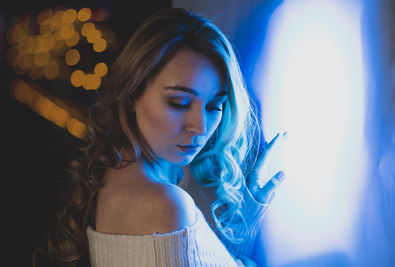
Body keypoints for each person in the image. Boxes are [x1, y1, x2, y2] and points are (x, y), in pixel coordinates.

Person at [34, 7, 286, 267]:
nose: (200, 127)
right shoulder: (165, 205)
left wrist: (244, 221)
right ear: (132, 94)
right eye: (179, 102)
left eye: (214, 106)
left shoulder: (116, 174)